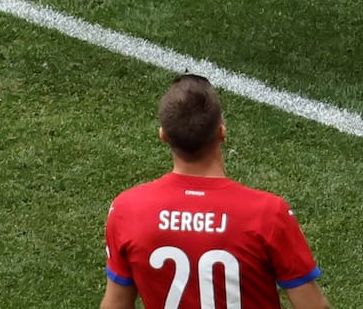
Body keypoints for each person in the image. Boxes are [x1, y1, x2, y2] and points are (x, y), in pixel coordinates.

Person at [100, 74, 330, 309]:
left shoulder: (128, 210)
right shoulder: (268, 214)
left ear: (163, 136)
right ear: (222, 131)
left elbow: (116, 304)